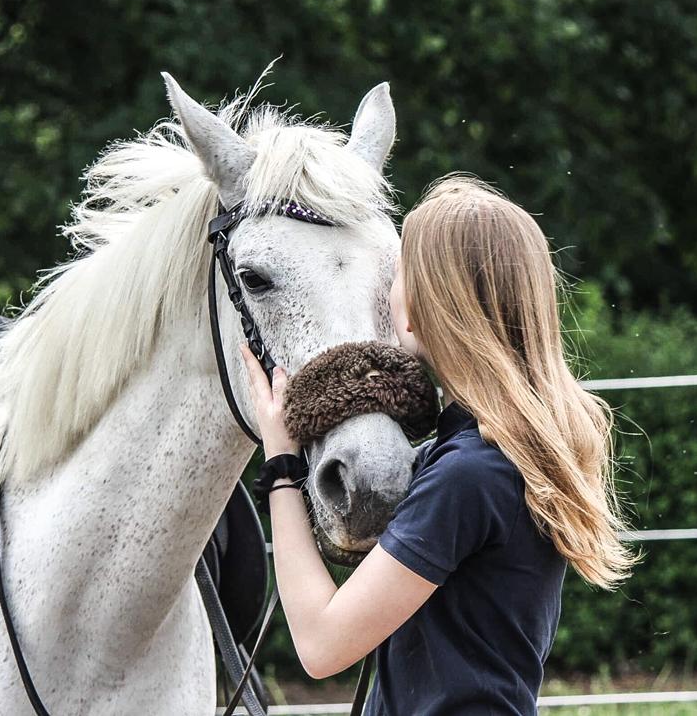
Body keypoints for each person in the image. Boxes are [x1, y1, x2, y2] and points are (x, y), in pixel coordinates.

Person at [238, 173, 642, 715]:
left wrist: (282, 466)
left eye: (396, 273)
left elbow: (320, 644)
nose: (387, 291)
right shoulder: (492, 457)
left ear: (424, 304)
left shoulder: (467, 476)